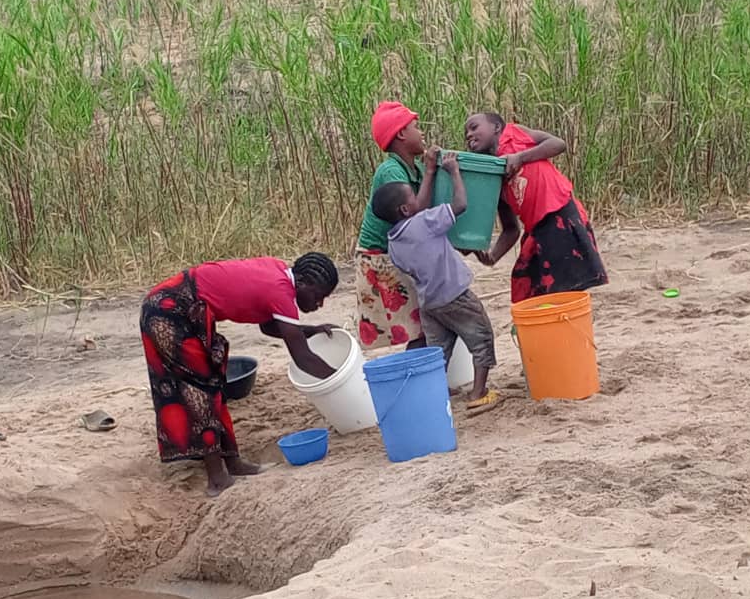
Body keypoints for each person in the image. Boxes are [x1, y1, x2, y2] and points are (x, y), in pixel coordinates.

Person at [140, 253, 340, 495]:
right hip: (169, 311)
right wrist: (342, 379)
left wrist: (311, 330)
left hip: (180, 304)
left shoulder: (278, 274)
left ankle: (232, 463)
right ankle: (217, 478)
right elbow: (303, 358)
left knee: (213, 382)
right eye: (319, 296)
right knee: (200, 389)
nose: (320, 304)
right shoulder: (280, 291)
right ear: (303, 282)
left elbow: (269, 326)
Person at [371, 152, 499, 412]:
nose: (418, 199)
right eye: (413, 196)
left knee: (437, 353)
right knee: (481, 337)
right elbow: (461, 205)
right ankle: (479, 393)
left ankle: (432, 396)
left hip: (430, 303)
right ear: (406, 209)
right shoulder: (425, 222)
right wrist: (454, 172)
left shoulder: (394, 243)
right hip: (455, 295)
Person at [463, 112, 608, 303]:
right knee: (525, 289)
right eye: (465, 133)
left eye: (474, 127)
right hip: (536, 229)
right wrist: (492, 257)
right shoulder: (493, 175)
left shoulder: (515, 134)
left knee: (562, 291)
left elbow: (558, 144)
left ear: (497, 127)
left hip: (560, 214)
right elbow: (511, 229)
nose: (468, 135)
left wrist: (521, 157)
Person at [355, 101, 439, 350]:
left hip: (397, 254)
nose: (422, 132)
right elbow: (413, 214)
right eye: (416, 127)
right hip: (381, 257)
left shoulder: (415, 169)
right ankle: (419, 380)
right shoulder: (391, 171)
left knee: (421, 324)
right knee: (416, 330)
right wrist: (433, 172)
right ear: (401, 133)